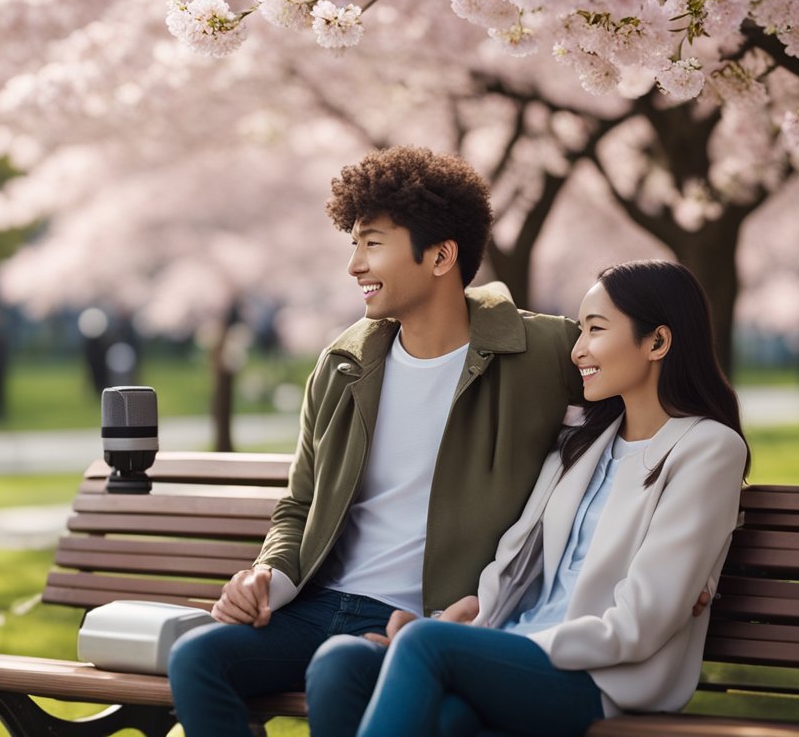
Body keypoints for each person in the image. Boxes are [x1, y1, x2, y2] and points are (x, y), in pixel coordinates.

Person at [167, 146, 586, 737]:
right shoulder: (344, 363)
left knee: (340, 673)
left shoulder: (543, 351)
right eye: (353, 244)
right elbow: (299, 503)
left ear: (441, 256)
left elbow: (648, 431)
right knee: (197, 656)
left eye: (372, 243)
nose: (354, 265)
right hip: (318, 603)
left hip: (424, 619)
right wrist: (269, 575)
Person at [311, 259, 749, 737]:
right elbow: (514, 559)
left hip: (601, 680)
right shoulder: (582, 441)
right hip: (517, 652)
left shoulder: (708, 450)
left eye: (596, 330)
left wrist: (483, 644)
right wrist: (471, 631)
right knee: (344, 661)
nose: (578, 350)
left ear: (657, 342)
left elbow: (642, 622)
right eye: (579, 331)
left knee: (423, 647)